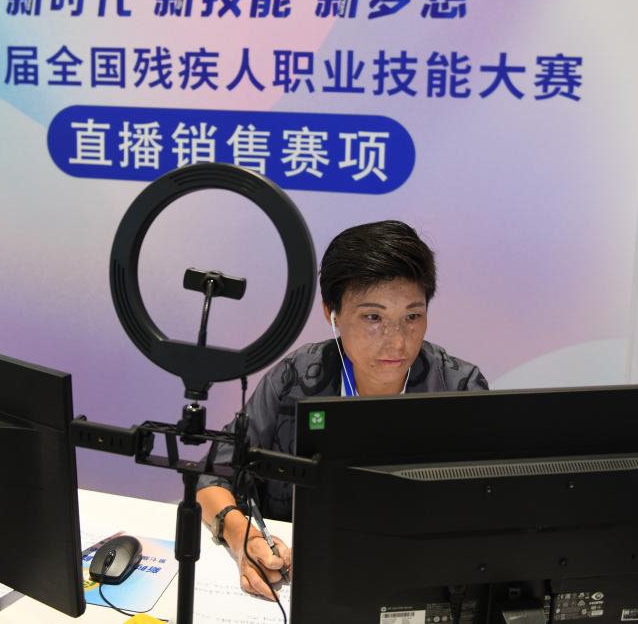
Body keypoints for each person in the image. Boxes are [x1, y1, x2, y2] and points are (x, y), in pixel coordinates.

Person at [196, 219, 489, 600]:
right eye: (373, 317)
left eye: (412, 317)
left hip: (417, 584)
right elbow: (211, 477)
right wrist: (242, 538)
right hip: (300, 581)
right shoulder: (295, 378)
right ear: (331, 313)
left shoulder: (458, 389)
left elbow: (489, 506)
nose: (397, 341)